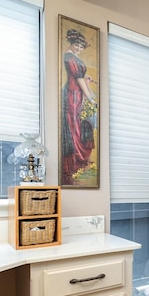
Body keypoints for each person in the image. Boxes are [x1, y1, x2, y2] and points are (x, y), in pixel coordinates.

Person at [61, 28, 96, 185]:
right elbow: (78, 79)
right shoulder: (69, 57)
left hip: (77, 93)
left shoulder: (73, 57)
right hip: (73, 95)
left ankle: (80, 162)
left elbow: (80, 77)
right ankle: (75, 163)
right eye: (77, 46)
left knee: (80, 125)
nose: (80, 49)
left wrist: (85, 80)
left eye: (82, 47)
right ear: (71, 43)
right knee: (74, 126)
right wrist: (90, 97)